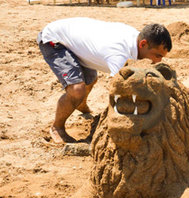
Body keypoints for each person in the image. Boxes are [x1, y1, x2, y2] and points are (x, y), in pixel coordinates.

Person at [37, 17, 172, 144]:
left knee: (90, 80)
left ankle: (80, 104)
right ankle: (57, 127)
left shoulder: (139, 39)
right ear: (143, 44)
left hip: (79, 40)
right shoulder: (119, 54)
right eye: (157, 55)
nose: (158, 61)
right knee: (77, 89)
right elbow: (118, 90)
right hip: (55, 40)